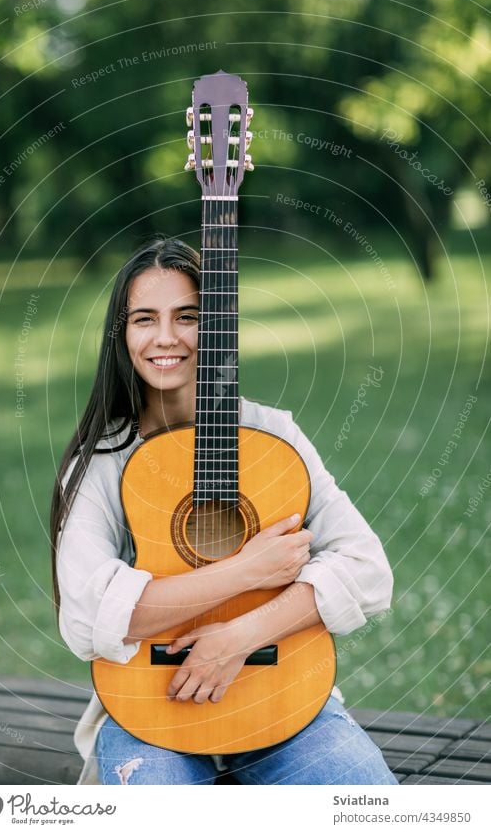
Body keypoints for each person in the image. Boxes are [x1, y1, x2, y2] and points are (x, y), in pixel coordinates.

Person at [50, 235, 398, 786]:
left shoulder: (272, 436)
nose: (166, 337)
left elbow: (368, 569)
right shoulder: (101, 461)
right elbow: (88, 616)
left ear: (214, 325)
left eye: (187, 316)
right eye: (144, 319)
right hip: (149, 707)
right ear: (122, 335)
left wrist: (240, 637)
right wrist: (245, 572)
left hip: (284, 696)